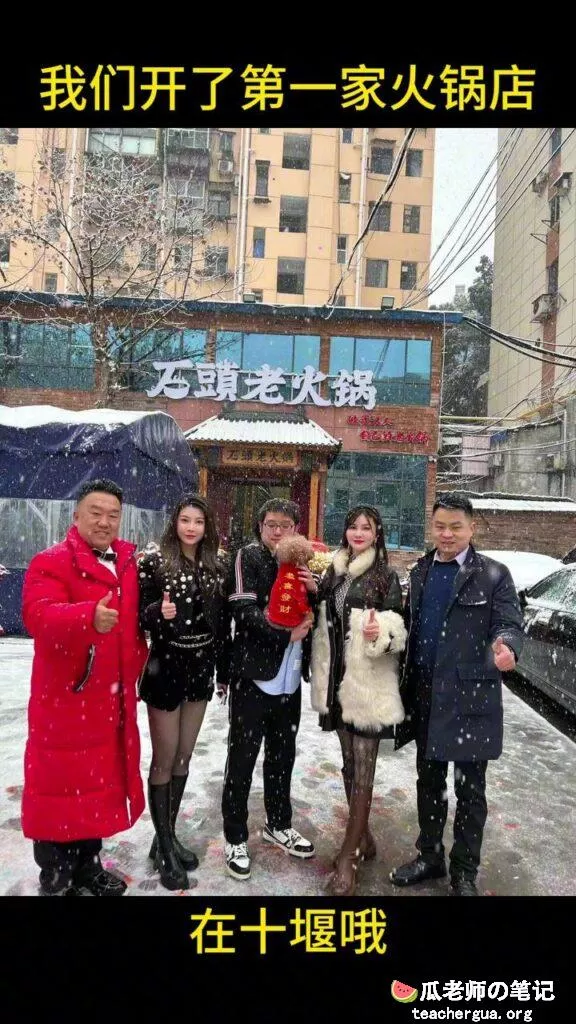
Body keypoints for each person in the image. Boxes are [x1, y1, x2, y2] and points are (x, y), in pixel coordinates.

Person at [389, 493, 524, 896]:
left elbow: (510, 623)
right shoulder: (421, 570)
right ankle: (430, 856)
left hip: (470, 698)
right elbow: (412, 626)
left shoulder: (494, 574)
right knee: (429, 783)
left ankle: (464, 871)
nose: (446, 534)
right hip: (426, 694)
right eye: (440, 526)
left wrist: (507, 646)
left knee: (470, 790)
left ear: (471, 527)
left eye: (455, 527)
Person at [21, 479, 147, 896]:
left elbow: (132, 625)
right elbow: (38, 616)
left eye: (113, 515)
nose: (104, 522)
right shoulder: (51, 561)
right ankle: (55, 872)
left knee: (97, 788)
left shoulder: (127, 564)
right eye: (96, 512)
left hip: (110, 702)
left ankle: (89, 865)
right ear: (76, 516)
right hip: (65, 703)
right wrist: (86, 617)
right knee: (58, 787)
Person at [310, 505, 407, 896]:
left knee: (364, 770)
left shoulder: (386, 576)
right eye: (353, 526)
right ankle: (364, 838)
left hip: (368, 686)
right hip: (337, 682)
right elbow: (323, 618)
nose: (359, 532)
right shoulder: (334, 571)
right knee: (349, 766)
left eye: (366, 527)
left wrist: (378, 631)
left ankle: (348, 857)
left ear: (377, 533)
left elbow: (399, 628)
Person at [138, 495, 230, 891]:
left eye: (199, 521)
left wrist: (223, 672)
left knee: (184, 755)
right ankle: (164, 847)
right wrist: (157, 613)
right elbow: (138, 615)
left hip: (200, 668)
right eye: (185, 520)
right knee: (164, 758)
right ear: (175, 523)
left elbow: (222, 624)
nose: (191, 528)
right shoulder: (154, 563)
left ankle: (166, 837)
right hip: (165, 667)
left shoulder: (216, 567)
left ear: (207, 526)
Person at [221, 498, 316, 880]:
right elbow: (242, 610)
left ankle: (278, 823)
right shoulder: (249, 557)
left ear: (296, 529)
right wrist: (284, 635)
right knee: (242, 759)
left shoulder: (304, 561)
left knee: (282, 756)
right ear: (260, 526)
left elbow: (315, 610)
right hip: (254, 677)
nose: (278, 531)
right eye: (271, 524)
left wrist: (315, 590)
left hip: (289, 678)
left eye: (286, 525)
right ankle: (235, 836)